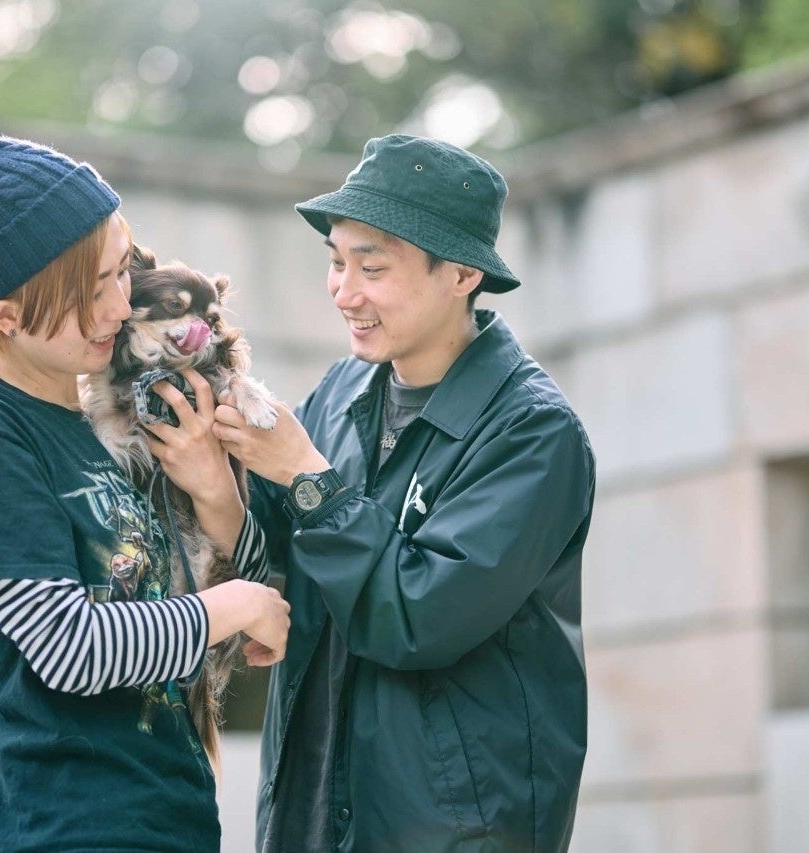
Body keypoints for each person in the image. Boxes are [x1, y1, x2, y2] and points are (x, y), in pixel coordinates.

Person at [210, 134, 596, 852]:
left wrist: (308, 478)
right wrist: (203, 460)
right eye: (336, 262)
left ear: (462, 275)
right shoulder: (342, 390)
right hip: (312, 812)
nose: (344, 291)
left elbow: (418, 615)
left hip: (453, 832)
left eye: (373, 268)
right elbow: (268, 546)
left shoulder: (532, 432)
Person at [0, 135, 290, 853]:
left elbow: (209, 602)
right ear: (8, 316)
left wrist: (215, 489)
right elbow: (69, 648)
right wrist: (239, 605)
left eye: (120, 273)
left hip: (171, 816)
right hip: (64, 826)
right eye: (90, 294)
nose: (121, 306)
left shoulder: (112, 418)